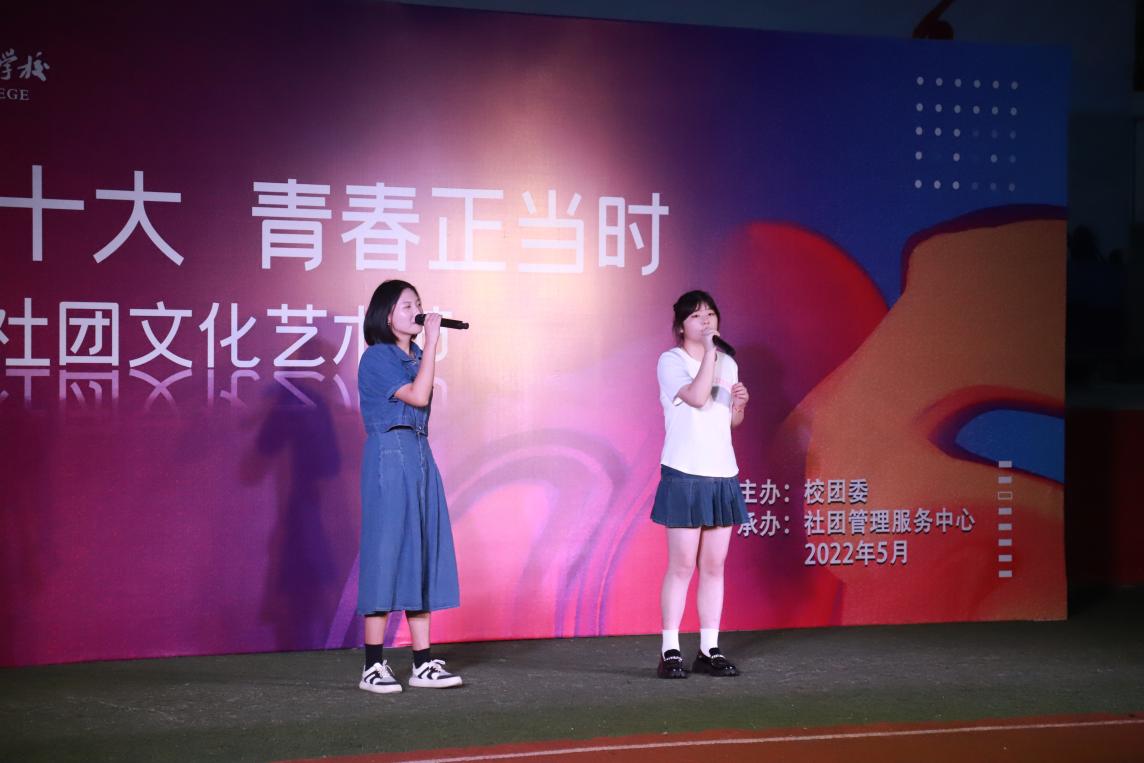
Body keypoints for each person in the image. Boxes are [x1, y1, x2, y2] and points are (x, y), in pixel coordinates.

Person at [356, 279, 462, 693]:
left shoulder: (415, 356)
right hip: (389, 455)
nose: (416, 310)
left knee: (421, 552)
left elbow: (422, 399)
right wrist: (433, 342)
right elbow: (418, 397)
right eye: (406, 305)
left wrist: (427, 348)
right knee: (386, 553)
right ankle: (372, 665)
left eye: (417, 303)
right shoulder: (377, 357)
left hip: (419, 454)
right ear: (386, 316)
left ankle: (422, 662)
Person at [651, 290, 749, 679]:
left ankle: (709, 649)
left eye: (710, 313)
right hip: (684, 473)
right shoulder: (671, 361)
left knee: (714, 566)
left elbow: (727, 421)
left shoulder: (729, 363)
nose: (706, 320)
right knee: (681, 566)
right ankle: (670, 650)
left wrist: (739, 405)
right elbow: (694, 397)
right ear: (680, 327)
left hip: (722, 473)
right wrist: (709, 352)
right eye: (696, 316)